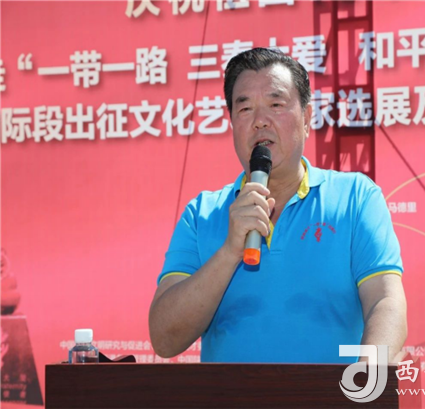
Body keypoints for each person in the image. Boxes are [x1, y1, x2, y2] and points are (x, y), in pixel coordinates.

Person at [149, 48, 407, 364]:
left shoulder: (356, 197)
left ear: (307, 118)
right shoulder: (201, 214)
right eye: (245, 108)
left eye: (276, 105)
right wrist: (229, 252)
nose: (260, 122)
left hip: (336, 391)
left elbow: (385, 301)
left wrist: (368, 377)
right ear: (232, 123)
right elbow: (164, 339)